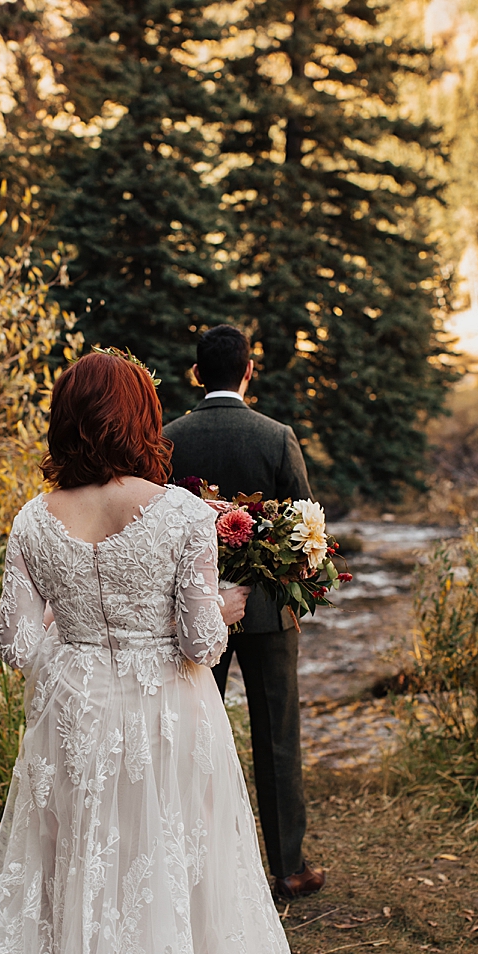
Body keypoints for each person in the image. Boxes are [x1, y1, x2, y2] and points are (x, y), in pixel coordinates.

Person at [0, 351, 324, 954]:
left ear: (66, 419)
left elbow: (16, 645)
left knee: (76, 871)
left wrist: (79, 622)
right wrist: (232, 603)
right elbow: (200, 642)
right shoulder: (180, 514)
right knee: (168, 870)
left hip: (75, 716)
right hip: (165, 717)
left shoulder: (34, 519)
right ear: (140, 418)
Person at [163, 325, 323, 900]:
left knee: (187, 732)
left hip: (195, 614)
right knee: (277, 736)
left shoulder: (169, 439)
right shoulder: (277, 438)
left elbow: (158, 531)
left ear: (197, 373)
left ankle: (186, 863)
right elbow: (307, 533)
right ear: (249, 371)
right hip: (267, 614)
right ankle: (288, 868)